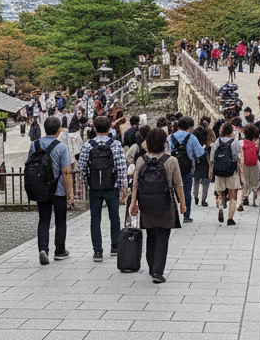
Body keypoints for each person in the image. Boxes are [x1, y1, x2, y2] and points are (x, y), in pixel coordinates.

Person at [128, 126, 184, 283]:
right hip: (166, 204)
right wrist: (183, 203)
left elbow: (136, 185)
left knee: (151, 235)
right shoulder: (171, 160)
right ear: (164, 142)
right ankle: (158, 272)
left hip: (146, 203)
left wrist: (133, 204)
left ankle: (152, 266)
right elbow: (178, 184)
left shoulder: (141, 160)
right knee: (162, 236)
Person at [79, 115, 129, 263]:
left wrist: (84, 184)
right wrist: (123, 187)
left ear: (94, 128)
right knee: (114, 217)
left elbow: (82, 167)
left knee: (95, 219)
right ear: (109, 129)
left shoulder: (88, 145)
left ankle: (97, 251)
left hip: (94, 187)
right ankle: (115, 247)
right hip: (111, 186)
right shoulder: (115, 144)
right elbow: (121, 166)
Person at [28, 116, 75, 265]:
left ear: (44, 129)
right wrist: (71, 194)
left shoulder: (34, 145)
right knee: (60, 220)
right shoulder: (61, 147)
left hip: (41, 188)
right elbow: (66, 171)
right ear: (59, 130)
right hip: (58, 189)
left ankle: (43, 249)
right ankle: (60, 251)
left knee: (44, 219)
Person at [168, 116, 203, 223]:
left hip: (172, 168)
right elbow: (200, 153)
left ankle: (173, 215)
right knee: (187, 192)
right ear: (190, 127)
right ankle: (186, 216)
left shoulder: (170, 137)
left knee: (171, 192)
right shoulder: (192, 138)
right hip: (187, 169)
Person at [211, 122, 242, 225]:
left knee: (220, 193)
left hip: (219, 171)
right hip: (231, 171)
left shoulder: (216, 142)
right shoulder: (235, 142)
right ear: (231, 132)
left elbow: (212, 159)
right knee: (233, 196)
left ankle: (220, 205)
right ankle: (230, 219)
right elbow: (238, 158)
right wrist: (240, 172)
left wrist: (211, 171)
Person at [240, 123, 260, 211]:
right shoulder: (256, 143)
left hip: (244, 164)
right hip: (255, 163)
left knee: (245, 182)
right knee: (255, 181)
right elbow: (258, 153)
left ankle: (243, 200)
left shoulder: (241, 143)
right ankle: (254, 201)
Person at [192, 126, 212, 209]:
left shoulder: (194, 147)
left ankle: (195, 196)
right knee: (206, 183)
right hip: (206, 167)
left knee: (196, 181)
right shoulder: (208, 148)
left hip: (196, 167)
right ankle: (203, 199)